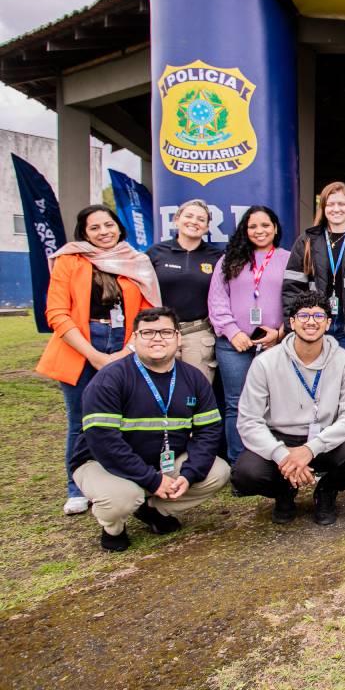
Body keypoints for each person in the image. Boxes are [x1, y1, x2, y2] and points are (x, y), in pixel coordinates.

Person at [70, 307, 228, 552]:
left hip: (163, 461)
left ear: (178, 337)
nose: (157, 338)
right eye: (148, 333)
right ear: (134, 339)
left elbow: (208, 432)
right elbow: (104, 443)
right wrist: (151, 480)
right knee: (121, 498)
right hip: (103, 464)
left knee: (217, 472)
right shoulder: (111, 378)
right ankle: (114, 528)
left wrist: (189, 473)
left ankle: (153, 510)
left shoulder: (193, 378)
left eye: (165, 332)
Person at [37, 204, 159, 515]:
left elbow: (148, 312)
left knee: (126, 417)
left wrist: (124, 352)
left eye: (108, 225)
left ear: (119, 227)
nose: (103, 232)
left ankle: (122, 477)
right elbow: (56, 312)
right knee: (81, 420)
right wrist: (93, 354)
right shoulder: (69, 260)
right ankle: (76, 487)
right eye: (95, 228)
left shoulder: (136, 261)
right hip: (80, 344)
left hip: (125, 343)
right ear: (84, 233)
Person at [231, 292, 345, 525]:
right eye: (304, 315)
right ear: (292, 322)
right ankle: (284, 491)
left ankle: (326, 491)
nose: (311, 321)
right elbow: (248, 421)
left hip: (325, 439)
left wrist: (310, 449)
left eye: (319, 315)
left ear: (328, 323)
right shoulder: (265, 362)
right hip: (281, 438)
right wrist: (283, 455)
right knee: (245, 473)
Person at [208, 205, 287, 463]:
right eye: (252, 226)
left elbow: (296, 299)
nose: (259, 231)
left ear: (275, 228)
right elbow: (217, 301)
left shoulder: (288, 259)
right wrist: (232, 332)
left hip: (274, 343)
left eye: (265, 225)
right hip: (234, 345)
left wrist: (279, 332)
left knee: (274, 403)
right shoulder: (229, 260)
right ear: (245, 229)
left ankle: (270, 459)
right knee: (236, 403)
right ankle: (238, 462)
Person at [282, 181, 345, 363]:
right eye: (331, 204)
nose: (336, 209)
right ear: (323, 207)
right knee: (314, 384)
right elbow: (291, 289)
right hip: (313, 327)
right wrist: (292, 327)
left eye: (341, 204)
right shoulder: (306, 240)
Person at [146, 199, 224, 382]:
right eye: (188, 216)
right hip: (161, 331)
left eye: (201, 219)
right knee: (159, 388)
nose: (194, 222)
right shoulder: (156, 253)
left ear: (207, 227)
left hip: (198, 333)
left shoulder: (217, 257)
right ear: (176, 220)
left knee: (194, 391)